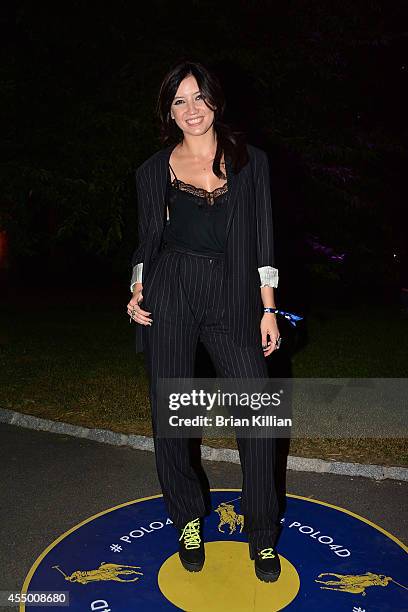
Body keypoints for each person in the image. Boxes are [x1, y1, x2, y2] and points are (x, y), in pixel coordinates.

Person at [127, 60, 283, 583]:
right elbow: (147, 241)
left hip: (232, 297)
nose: (191, 110)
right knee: (172, 418)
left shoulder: (250, 161)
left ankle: (261, 535)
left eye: (198, 98)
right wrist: (135, 289)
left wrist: (267, 308)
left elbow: (263, 240)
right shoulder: (153, 170)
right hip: (170, 292)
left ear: (214, 100)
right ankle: (189, 518)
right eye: (179, 101)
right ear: (168, 112)